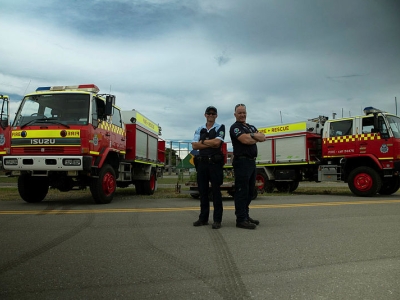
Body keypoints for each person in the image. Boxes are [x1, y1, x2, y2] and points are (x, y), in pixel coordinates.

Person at [230, 104, 266, 229]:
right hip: (241, 162)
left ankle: (246, 215)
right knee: (242, 191)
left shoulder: (250, 126)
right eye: (239, 113)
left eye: (244, 112)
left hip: (251, 162)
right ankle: (241, 219)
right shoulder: (235, 127)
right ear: (235, 114)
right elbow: (245, 140)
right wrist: (253, 136)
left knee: (250, 191)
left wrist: (252, 136)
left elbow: (262, 137)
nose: (242, 115)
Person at [191, 106, 226, 229]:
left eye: (213, 113)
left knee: (216, 192)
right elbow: (194, 146)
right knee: (203, 192)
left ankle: (217, 220)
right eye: (209, 113)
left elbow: (217, 143)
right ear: (205, 115)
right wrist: (209, 141)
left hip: (215, 164)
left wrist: (203, 141)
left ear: (216, 115)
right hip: (202, 164)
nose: (211, 115)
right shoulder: (199, 128)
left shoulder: (220, 127)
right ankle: (203, 218)